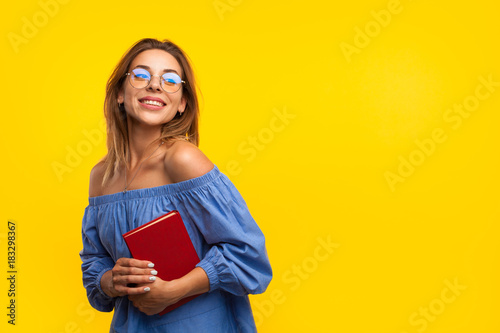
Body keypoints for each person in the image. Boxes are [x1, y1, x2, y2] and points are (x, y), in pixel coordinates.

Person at [79, 38, 272, 332]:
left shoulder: (183, 159)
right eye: (141, 75)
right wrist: (111, 280)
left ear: (182, 103)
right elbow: (95, 264)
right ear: (120, 92)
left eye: (170, 80)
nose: (155, 85)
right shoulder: (100, 176)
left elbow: (249, 256)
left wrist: (175, 290)